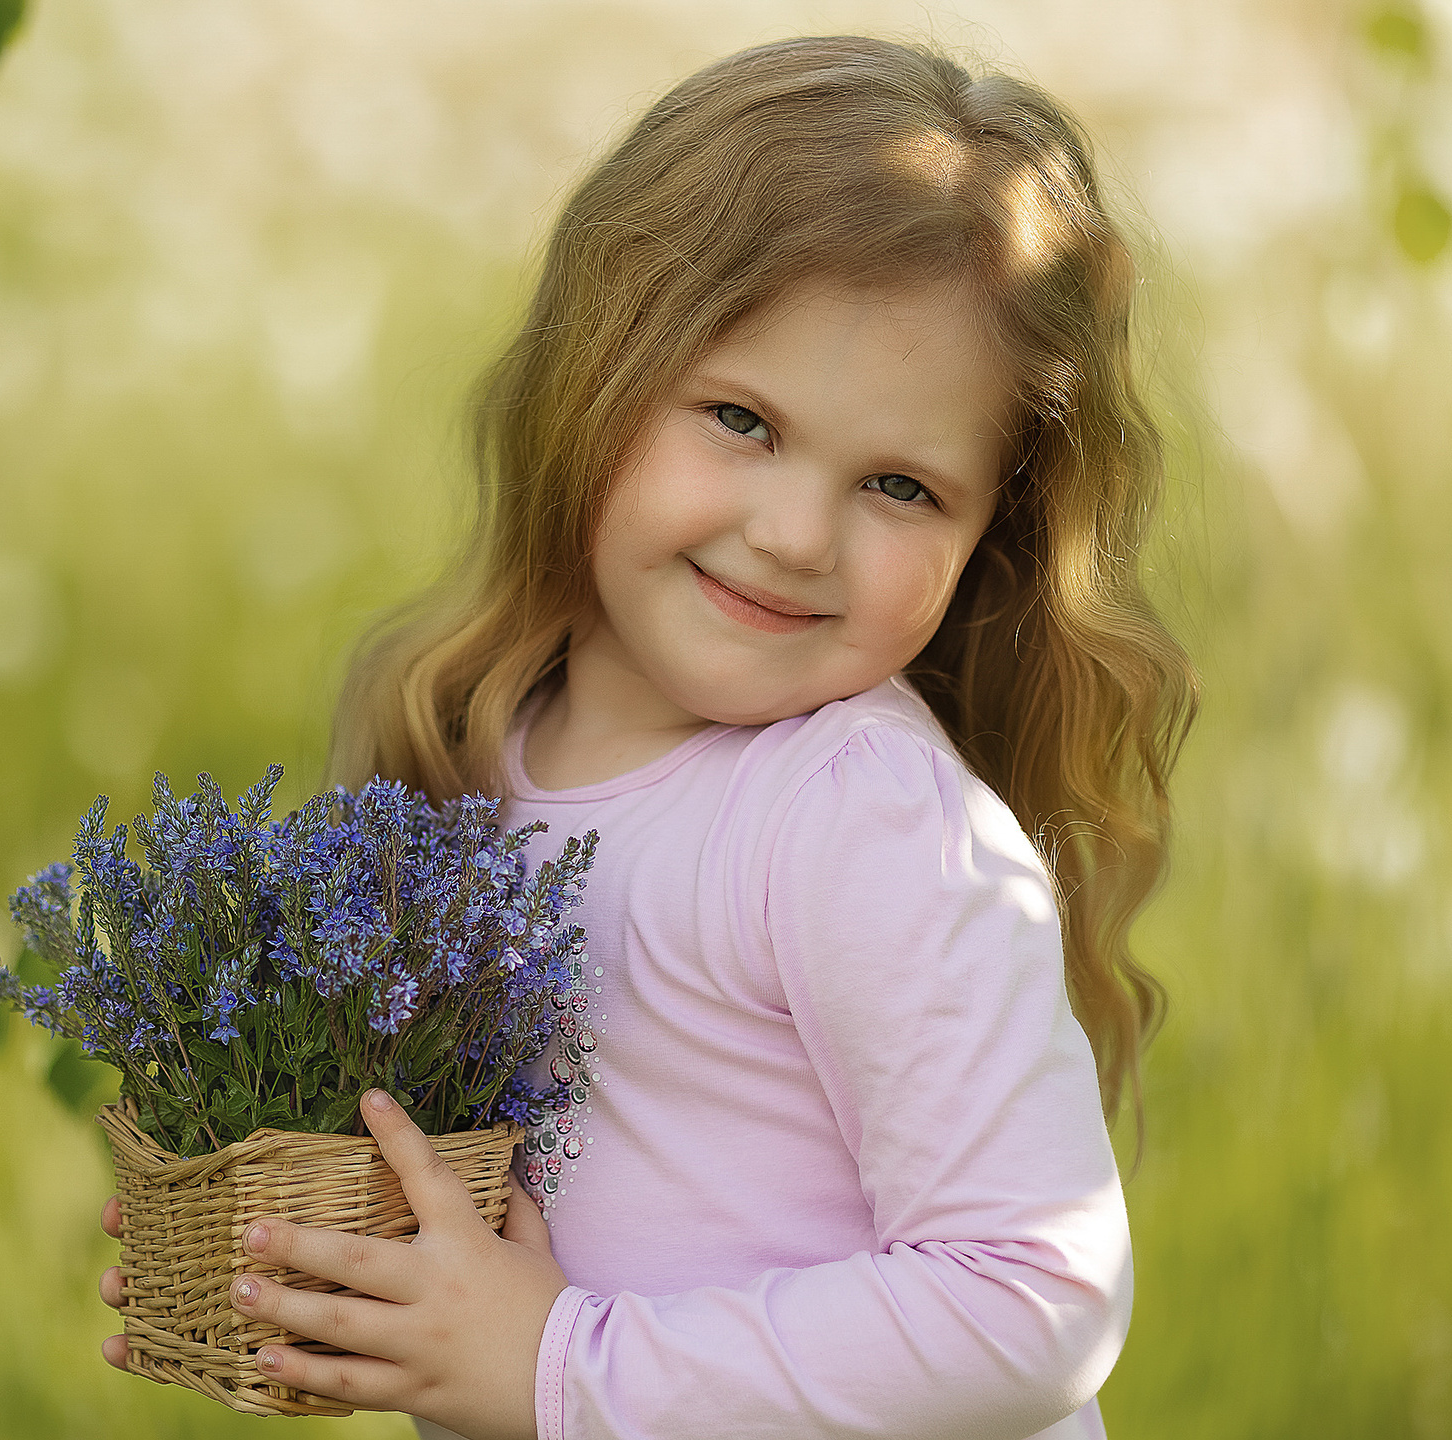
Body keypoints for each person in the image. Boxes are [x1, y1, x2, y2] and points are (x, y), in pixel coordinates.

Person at [95, 33, 1196, 1440]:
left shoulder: (859, 817)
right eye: (741, 419)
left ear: (995, 533)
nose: (794, 534)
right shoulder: (482, 740)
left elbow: (1030, 1296)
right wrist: (307, 1270)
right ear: (597, 380)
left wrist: (562, 1369)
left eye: (902, 486)